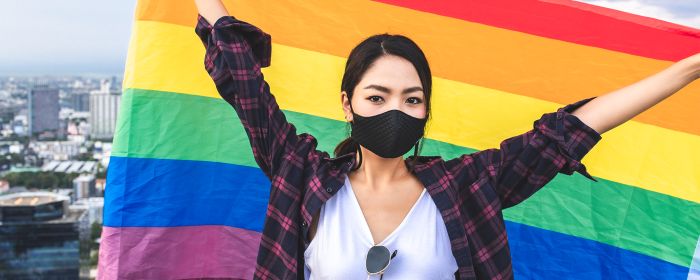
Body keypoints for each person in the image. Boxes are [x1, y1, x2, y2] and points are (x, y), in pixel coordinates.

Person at [194, 0, 700, 279]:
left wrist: (690, 68)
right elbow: (245, 83)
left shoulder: (468, 187)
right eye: (377, 97)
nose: (396, 110)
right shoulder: (302, 174)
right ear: (347, 104)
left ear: (426, 110)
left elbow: (569, 133)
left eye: (412, 100)